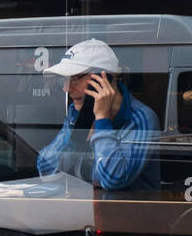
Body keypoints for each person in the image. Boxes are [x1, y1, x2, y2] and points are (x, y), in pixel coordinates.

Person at [38, 38, 160, 191]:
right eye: (65, 80)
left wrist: (102, 121)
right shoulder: (77, 112)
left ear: (105, 78)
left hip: (128, 211)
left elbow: (113, 179)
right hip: (85, 209)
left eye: (75, 78)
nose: (67, 88)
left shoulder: (141, 118)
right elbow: (45, 170)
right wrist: (77, 132)